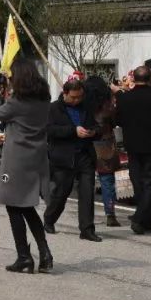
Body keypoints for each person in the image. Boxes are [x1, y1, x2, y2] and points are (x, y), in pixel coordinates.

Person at [0, 58, 53, 273]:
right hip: (36, 157)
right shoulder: (44, 99)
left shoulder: (17, 102)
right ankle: (44, 252)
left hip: (16, 159)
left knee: (12, 205)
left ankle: (24, 256)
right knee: (26, 206)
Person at [114, 65, 151, 234]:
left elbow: (118, 120)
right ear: (150, 79)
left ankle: (146, 221)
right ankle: (142, 218)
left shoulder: (125, 98)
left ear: (133, 78)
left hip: (133, 145)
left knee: (138, 181)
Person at [43, 76, 102, 242]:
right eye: (74, 97)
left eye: (80, 97)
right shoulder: (53, 109)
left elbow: (97, 126)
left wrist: (93, 132)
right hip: (63, 157)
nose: (77, 100)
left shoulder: (86, 107)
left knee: (87, 194)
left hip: (85, 156)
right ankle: (49, 218)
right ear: (65, 93)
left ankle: (87, 229)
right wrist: (72, 131)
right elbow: (49, 130)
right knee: (61, 192)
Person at [86, 76, 120, 227]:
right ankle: (110, 213)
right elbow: (114, 122)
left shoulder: (83, 104)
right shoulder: (108, 105)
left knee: (86, 181)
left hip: (87, 143)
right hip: (106, 144)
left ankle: (86, 214)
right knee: (107, 181)